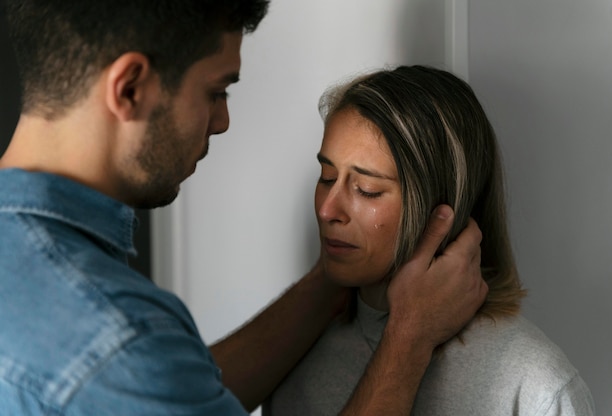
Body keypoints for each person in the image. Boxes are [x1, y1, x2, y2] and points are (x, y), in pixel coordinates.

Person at [0, 2, 488, 415]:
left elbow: (185, 390)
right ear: (129, 87)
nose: (223, 121)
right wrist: (410, 335)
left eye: (366, 188)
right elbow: (140, 370)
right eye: (215, 91)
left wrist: (329, 280)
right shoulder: (117, 343)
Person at [263, 65, 596, 416]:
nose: (328, 210)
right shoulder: (293, 361)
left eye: (367, 190)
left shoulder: (536, 388)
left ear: (442, 207)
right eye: (327, 177)